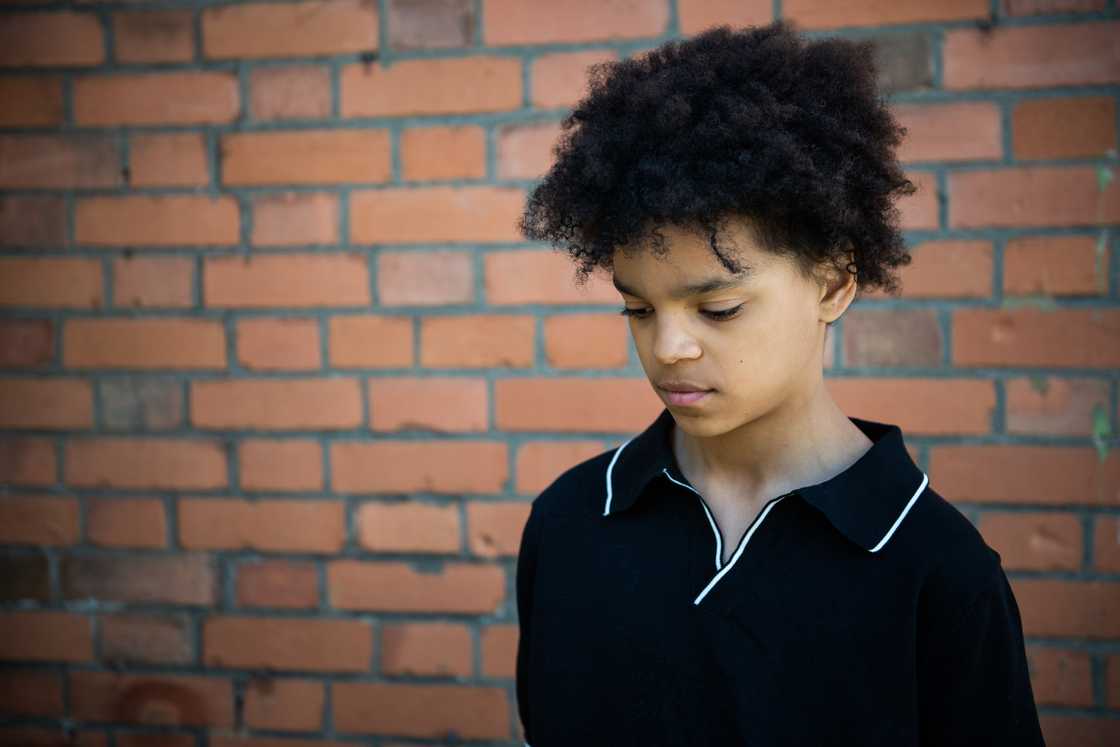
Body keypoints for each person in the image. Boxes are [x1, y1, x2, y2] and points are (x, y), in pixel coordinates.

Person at [512, 20, 1045, 747]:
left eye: (718, 307)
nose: (668, 348)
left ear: (832, 283)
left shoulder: (939, 573)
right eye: (637, 307)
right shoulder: (569, 523)